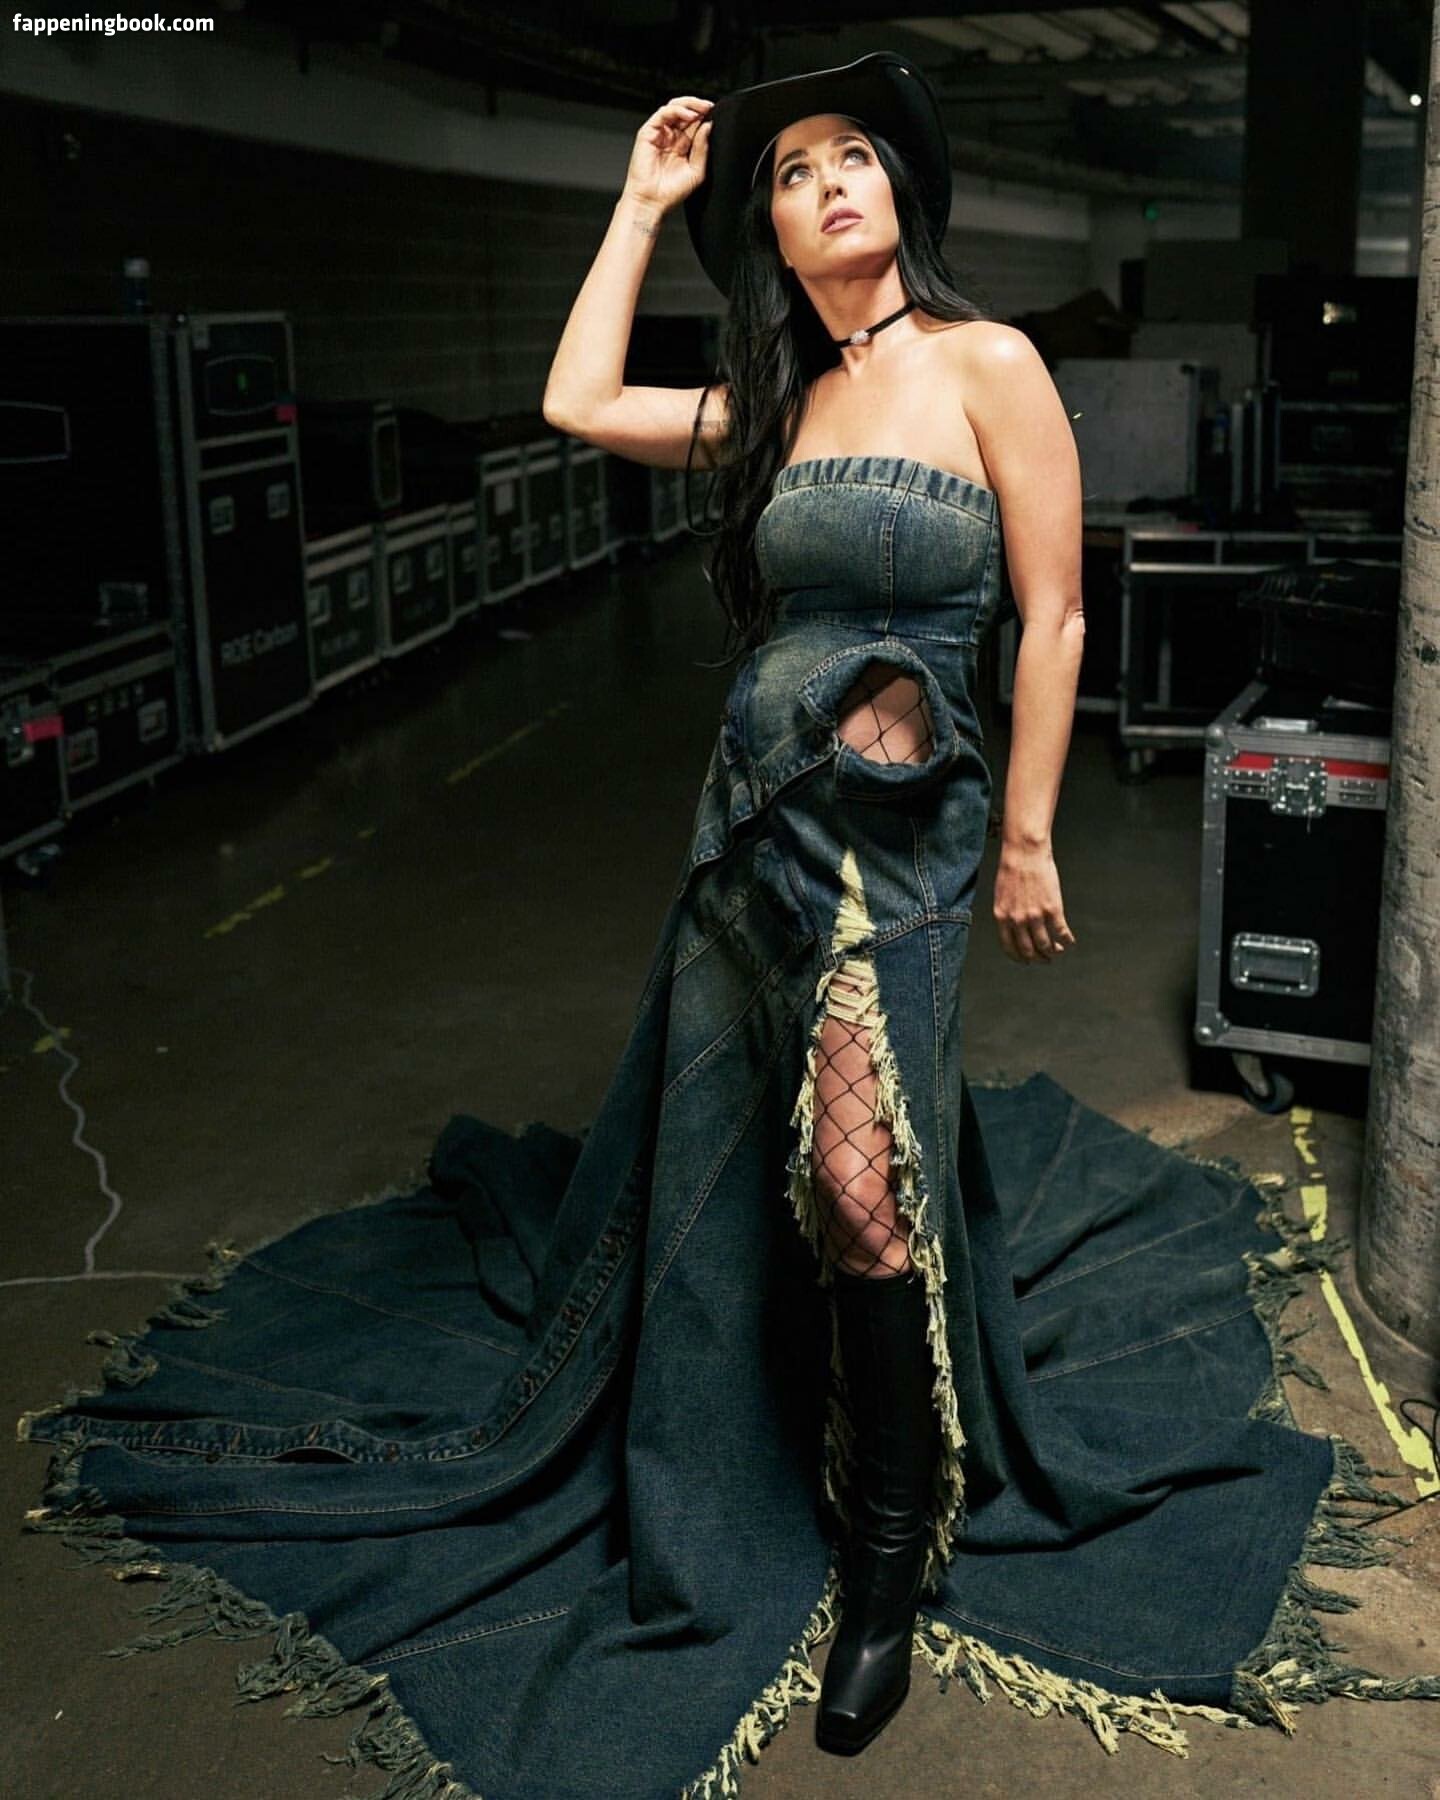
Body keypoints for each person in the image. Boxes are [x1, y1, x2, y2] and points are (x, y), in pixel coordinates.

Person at [543, 50, 1084, 1755]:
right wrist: (643, 203)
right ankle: (743, 1462)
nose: (832, 182)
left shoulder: (989, 364)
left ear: (901, 192)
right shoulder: (775, 407)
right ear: (771, 233)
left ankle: (884, 1568)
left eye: (856, 155)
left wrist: (1028, 834)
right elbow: (577, 402)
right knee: (744, 1149)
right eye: (793, 171)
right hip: (753, 823)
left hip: (905, 843)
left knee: (861, 1187)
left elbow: (1055, 615)